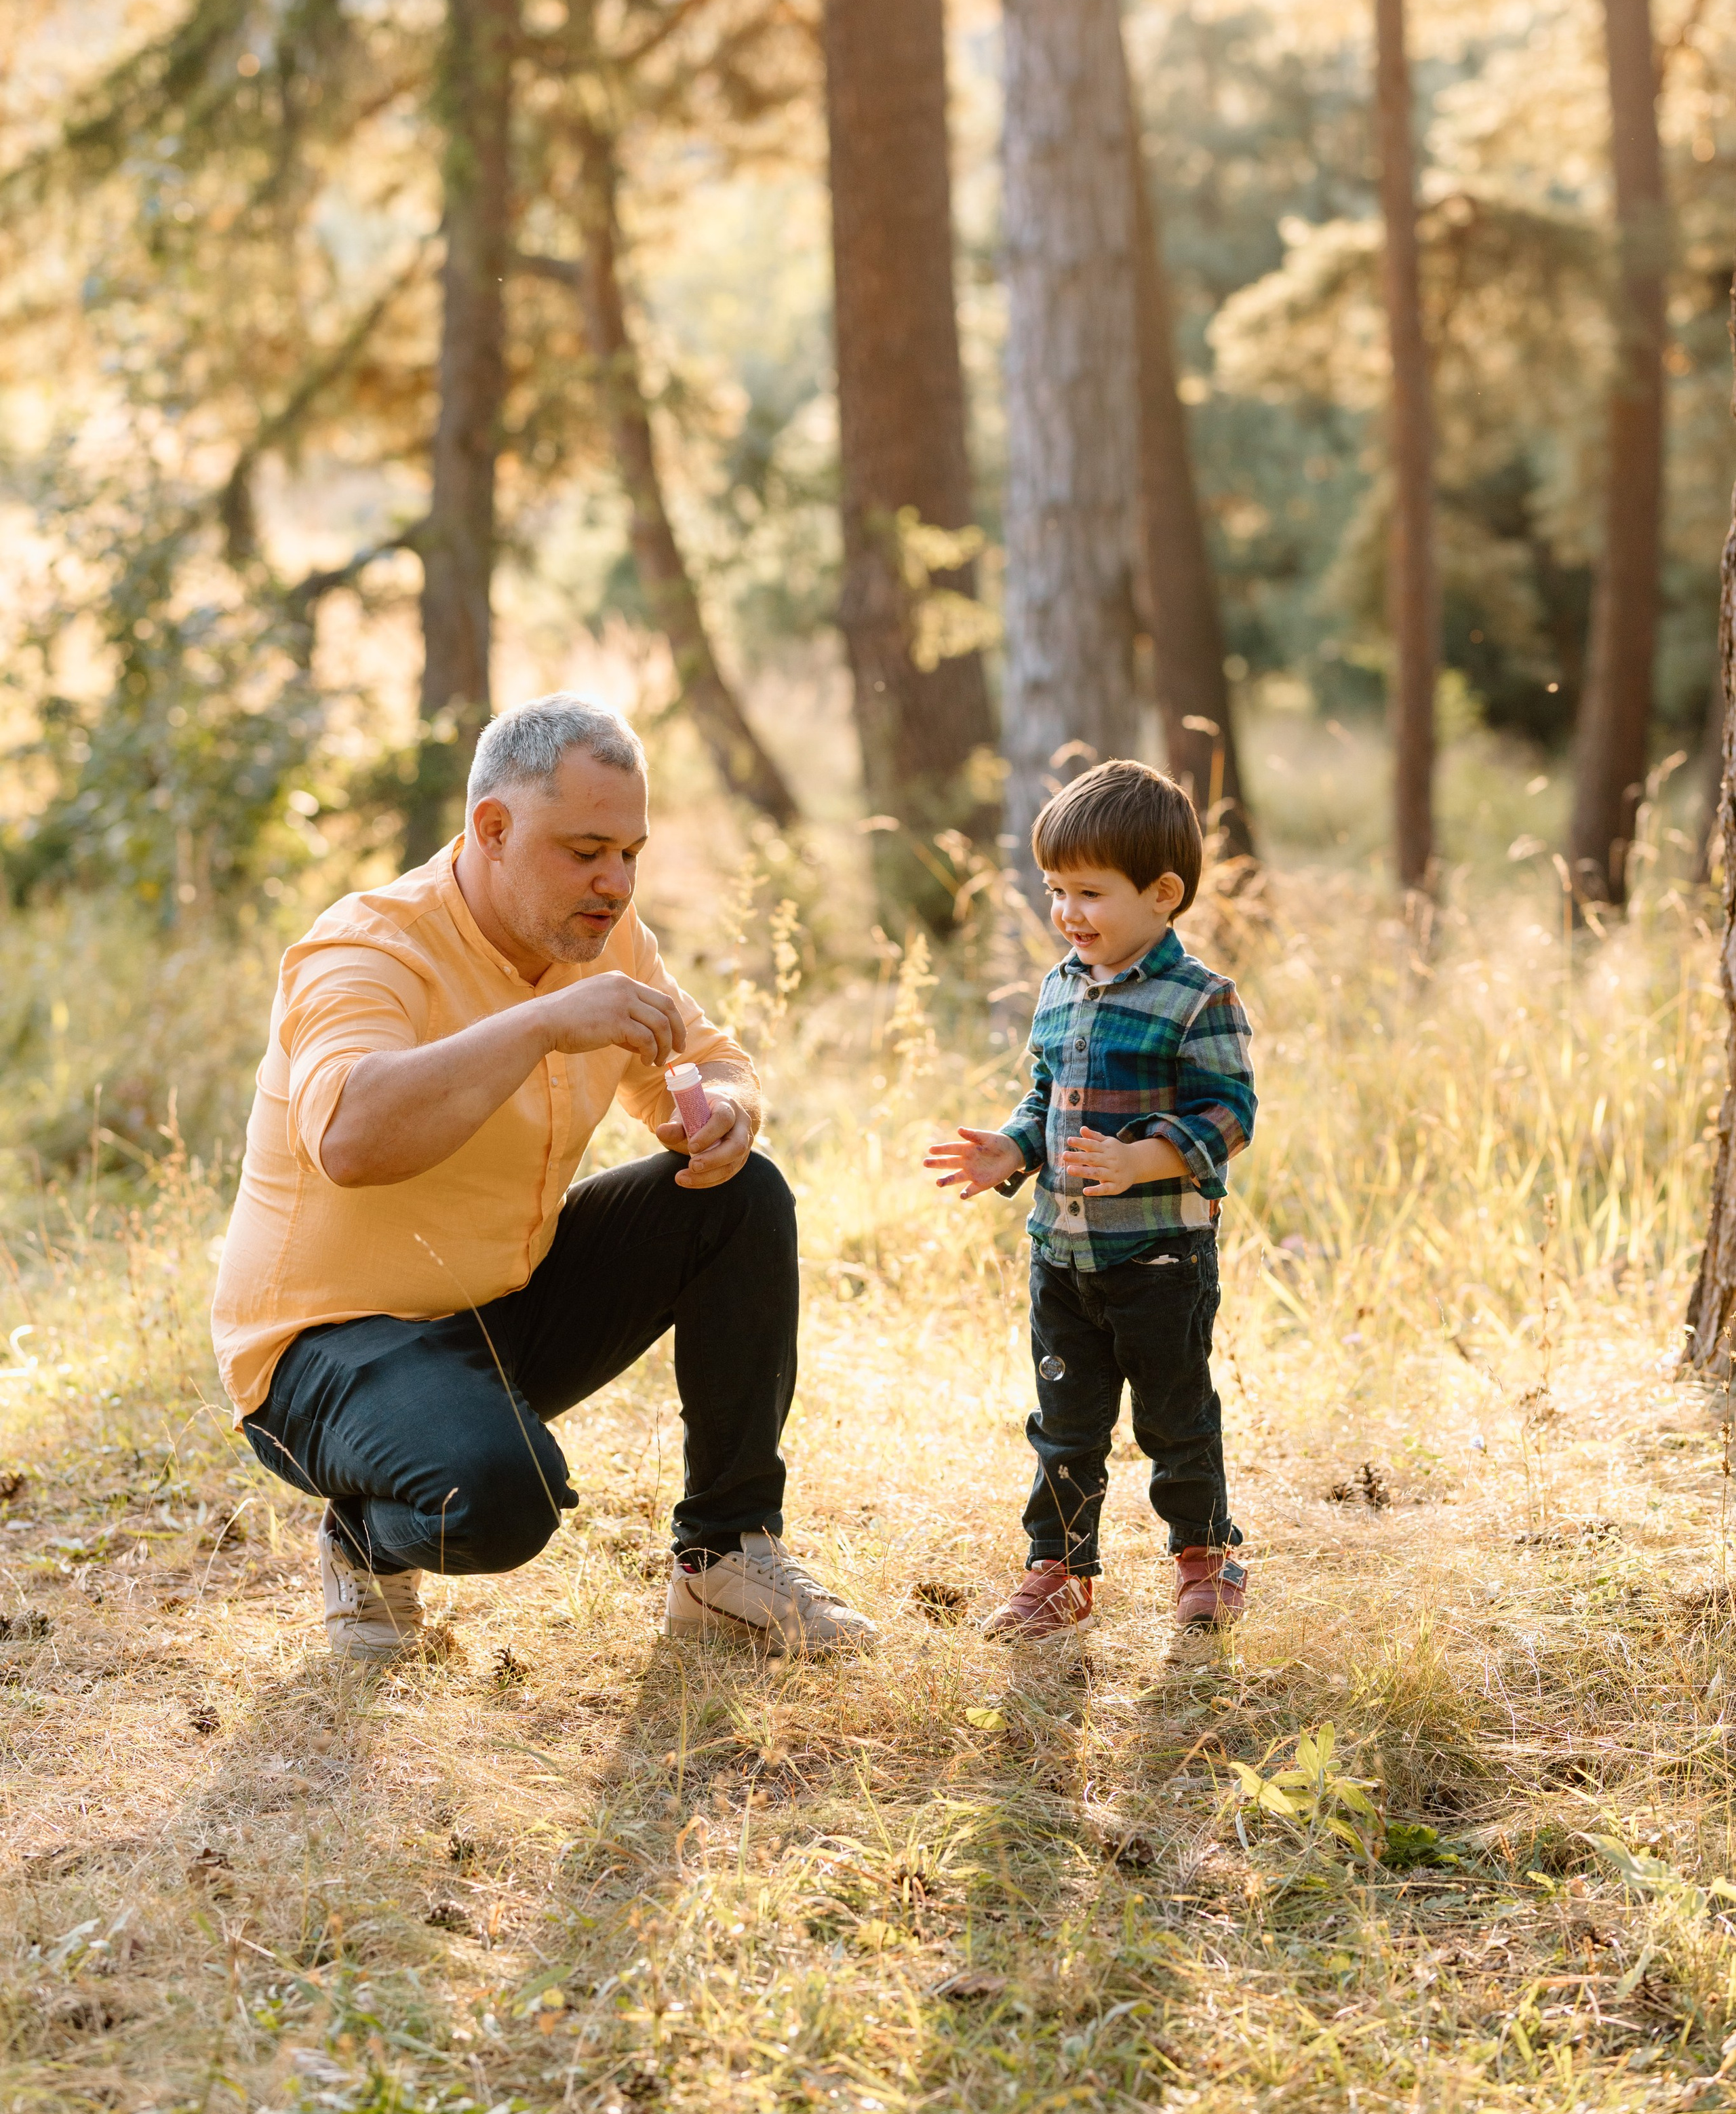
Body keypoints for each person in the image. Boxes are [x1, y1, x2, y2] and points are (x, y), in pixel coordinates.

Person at [212, 692, 876, 1664]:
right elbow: (351, 1138)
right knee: (503, 1500)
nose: (614, 881)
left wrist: (728, 1109)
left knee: (742, 1195)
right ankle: (364, 1539)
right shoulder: (364, 948)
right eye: (585, 849)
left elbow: (707, 1059)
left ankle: (726, 1556)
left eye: (631, 853)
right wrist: (539, 1027)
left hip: (497, 1305)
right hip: (325, 1348)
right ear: (493, 828)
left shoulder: (600, 936)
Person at [925, 760, 1257, 1639]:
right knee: (1065, 1426)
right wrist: (1010, 1149)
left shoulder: (1199, 1000)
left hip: (1159, 1259)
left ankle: (1206, 1556)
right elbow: (1046, 1101)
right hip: (1061, 1257)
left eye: (1090, 892)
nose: (1067, 912)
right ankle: (1060, 1571)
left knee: (1174, 1417)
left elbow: (1230, 1115)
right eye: (1054, 889)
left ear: (1162, 894)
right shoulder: (1060, 988)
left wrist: (1143, 1159)